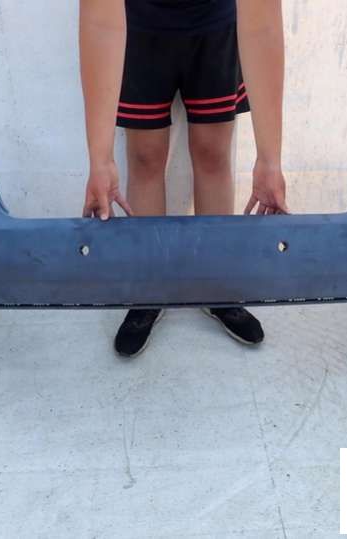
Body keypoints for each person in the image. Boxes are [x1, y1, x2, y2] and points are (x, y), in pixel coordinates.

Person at [79, 0, 287, 357]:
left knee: (213, 152)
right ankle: (149, 291)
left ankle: (216, 285)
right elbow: (100, 22)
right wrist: (99, 160)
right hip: (139, 27)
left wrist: (270, 161)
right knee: (145, 157)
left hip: (215, 26)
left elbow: (263, 23)